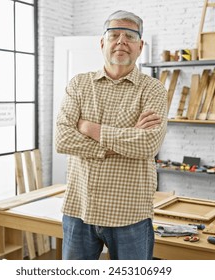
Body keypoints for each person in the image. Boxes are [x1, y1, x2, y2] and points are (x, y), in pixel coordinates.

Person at [55, 10, 168, 260]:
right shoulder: (79, 84)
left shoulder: (153, 89)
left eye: (129, 35)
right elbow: (62, 139)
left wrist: (90, 129)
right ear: (102, 43)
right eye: (114, 34)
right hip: (79, 207)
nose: (121, 41)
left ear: (140, 46)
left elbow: (148, 143)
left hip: (130, 213)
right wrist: (124, 140)